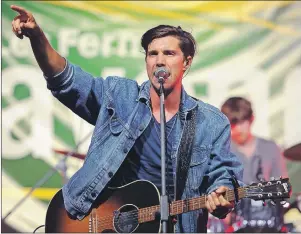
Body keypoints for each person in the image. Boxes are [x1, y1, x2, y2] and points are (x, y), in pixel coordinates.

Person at [11, 4, 244, 233]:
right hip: (100, 222)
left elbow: (222, 175)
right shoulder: (119, 95)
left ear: (187, 62)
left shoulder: (211, 123)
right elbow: (66, 79)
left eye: (169, 53)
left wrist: (221, 194)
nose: (159, 61)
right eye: (153, 54)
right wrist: (37, 37)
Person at [221, 97, 288, 232]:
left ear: (251, 119)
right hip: (232, 225)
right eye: (232, 124)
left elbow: (283, 189)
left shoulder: (270, 148)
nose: (237, 129)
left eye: (241, 122)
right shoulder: (221, 152)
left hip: (270, 223)